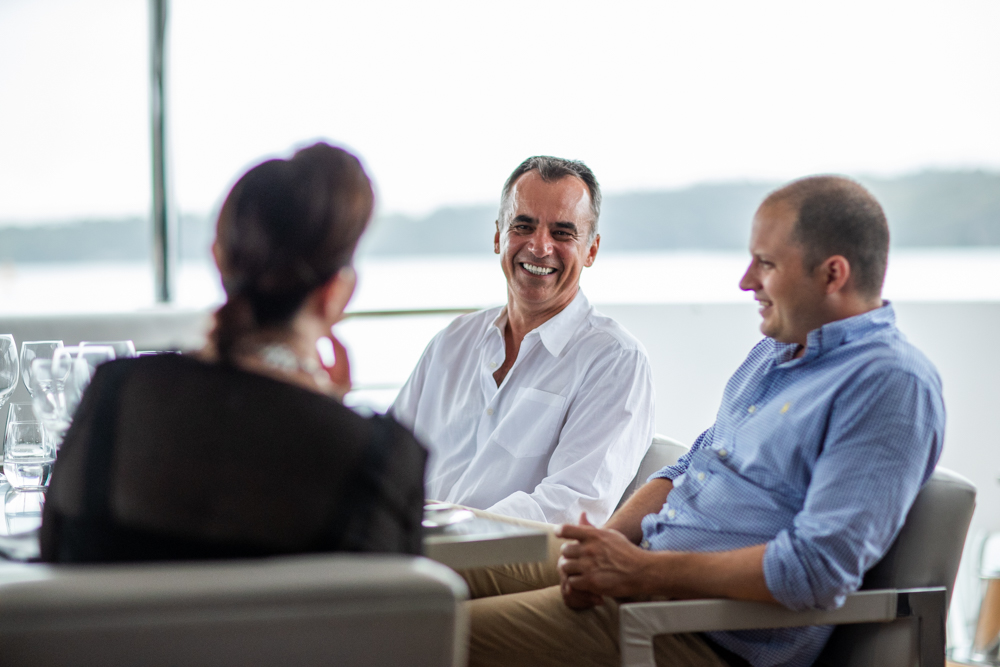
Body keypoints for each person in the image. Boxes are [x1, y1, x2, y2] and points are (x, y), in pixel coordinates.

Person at [466, 176, 945, 667]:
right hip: (646, 581)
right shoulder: (775, 352)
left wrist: (642, 572)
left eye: (766, 264)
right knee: (436, 564)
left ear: (832, 274)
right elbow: (686, 470)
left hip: (697, 633)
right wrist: (608, 547)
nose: (746, 281)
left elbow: (815, 570)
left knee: (434, 629)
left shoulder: (890, 384)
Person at [41, 143, 427, 562]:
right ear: (338, 293)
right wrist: (334, 415)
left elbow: (58, 554)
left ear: (218, 259)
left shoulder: (114, 397)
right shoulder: (380, 459)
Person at [390, 156, 655, 526]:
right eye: (524, 226)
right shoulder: (452, 342)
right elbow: (388, 460)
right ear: (498, 236)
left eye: (562, 233)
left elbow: (570, 507)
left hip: (500, 555)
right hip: (408, 547)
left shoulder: (615, 360)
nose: (540, 246)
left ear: (591, 250)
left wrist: (445, 537)